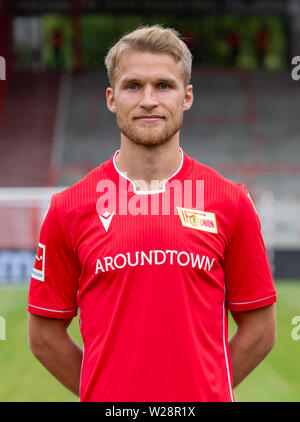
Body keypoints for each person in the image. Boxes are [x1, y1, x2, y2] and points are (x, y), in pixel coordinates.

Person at [28, 25, 276, 402]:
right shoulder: (69, 209)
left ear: (187, 96)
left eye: (164, 85)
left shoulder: (230, 202)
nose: (148, 100)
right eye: (133, 86)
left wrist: (203, 393)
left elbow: (261, 329)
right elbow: (44, 335)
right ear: (111, 99)